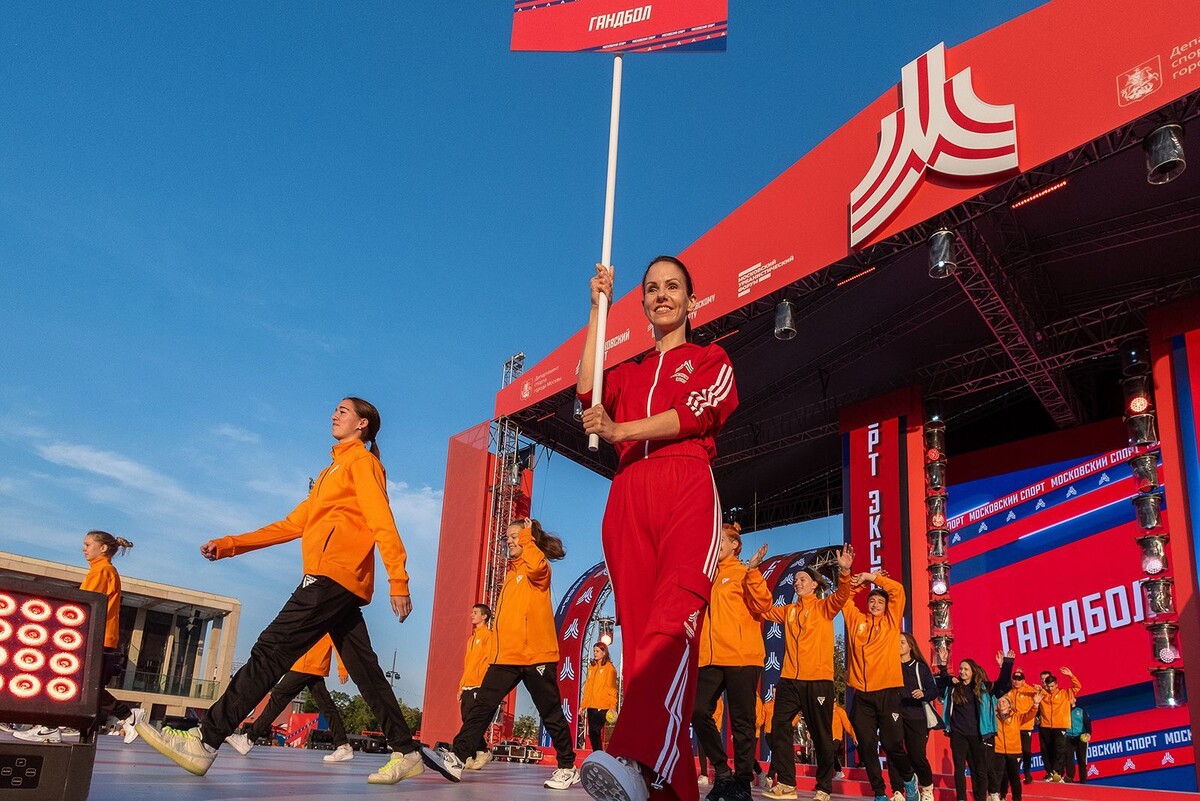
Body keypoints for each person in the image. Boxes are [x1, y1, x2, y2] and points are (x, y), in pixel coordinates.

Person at [134, 397, 429, 786]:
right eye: (334, 410)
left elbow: (381, 519)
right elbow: (291, 524)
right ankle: (407, 752)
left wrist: (398, 579)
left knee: (270, 650)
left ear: (363, 425)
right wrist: (230, 544)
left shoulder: (362, 462)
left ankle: (205, 741)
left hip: (333, 575)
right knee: (367, 672)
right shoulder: (331, 472)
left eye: (343, 411)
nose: (333, 414)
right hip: (335, 579)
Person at [575, 256, 740, 801]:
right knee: (641, 637)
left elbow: (696, 415)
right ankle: (668, 787)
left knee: (672, 627)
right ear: (643, 303)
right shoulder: (629, 371)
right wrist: (598, 307)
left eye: (673, 287)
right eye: (651, 289)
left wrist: (620, 428)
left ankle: (630, 753)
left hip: (686, 486)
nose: (661, 295)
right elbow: (587, 388)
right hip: (627, 497)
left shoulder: (711, 358)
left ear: (692, 301)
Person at [423, 519, 580, 790]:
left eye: (514, 536)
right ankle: (457, 758)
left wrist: (529, 539)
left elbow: (539, 567)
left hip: (535, 656)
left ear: (529, 537)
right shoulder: (511, 575)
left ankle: (567, 766)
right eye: (507, 536)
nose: (509, 540)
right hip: (506, 657)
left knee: (550, 712)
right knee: (482, 705)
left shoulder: (537, 569)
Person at [17, 531, 144, 744]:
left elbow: (84, 604)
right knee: (82, 686)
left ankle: (51, 727)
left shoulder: (102, 571)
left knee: (72, 682)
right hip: (99, 638)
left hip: (93, 638)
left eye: (87, 544)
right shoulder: (102, 571)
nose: (83, 548)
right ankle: (125, 716)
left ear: (103, 548)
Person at [760, 548, 856, 801]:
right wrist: (751, 576)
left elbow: (842, 595)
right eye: (795, 580)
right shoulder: (789, 611)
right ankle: (788, 785)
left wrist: (844, 572)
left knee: (822, 735)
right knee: (778, 727)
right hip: (790, 680)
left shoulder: (825, 608)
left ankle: (824, 786)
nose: (797, 582)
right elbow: (763, 609)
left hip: (818, 681)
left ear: (814, 585)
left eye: (802, 579)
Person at [692, 523, 771, 801]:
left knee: (742, 723)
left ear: (735, 545)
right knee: (698, 710)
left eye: (722, 539)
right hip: (711, 658)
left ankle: (742, 784)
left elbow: (764, 605)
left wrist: (753, 571)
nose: (717, 544)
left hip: (741, 656)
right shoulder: (708, 576)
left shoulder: (743, 573)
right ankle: (722, 773)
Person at [842, 570, 919, 801]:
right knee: (866, 745)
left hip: (888, 693)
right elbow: (844, 599)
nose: (876, 604)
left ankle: (908, 778)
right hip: (862, 695)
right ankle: (879, 793)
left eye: (880, 602)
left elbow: (897, 590)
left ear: (887, 607)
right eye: (872, 601)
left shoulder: (891, 621)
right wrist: (858, 586)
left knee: (892, 744)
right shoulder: (857, 621)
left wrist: (870, 577)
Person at [225, 634, 353, 762]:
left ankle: (249, 739)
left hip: (307, 664)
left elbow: (337, 641)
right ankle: (343, 745)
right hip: (306, 663)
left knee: (279, 696)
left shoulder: (326, 617)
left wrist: (342, 668)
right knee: (326, 706)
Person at [935, 648, 1015, 801]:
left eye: (966, 669)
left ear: (973, 671)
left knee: (979, 769)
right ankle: (961, 798)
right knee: (959, 768)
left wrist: (1007, 664)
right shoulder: (954, 687)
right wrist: (943, 665)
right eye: (961, 669)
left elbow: (1002, 684)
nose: (962, 671)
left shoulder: (983, 688)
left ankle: (980, 798)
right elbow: (941, 681)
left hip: (978, 735)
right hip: (958, 734)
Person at [888, 633, 939, 801]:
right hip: (894, 714)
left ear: (910, 646)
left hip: (916, 717)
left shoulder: (920, 667)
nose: (899, 645)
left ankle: (927, 787)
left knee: (917, 756)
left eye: (902, 642)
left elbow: (934, 691)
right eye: (896, 642)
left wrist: (923, 693)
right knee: (893, 752)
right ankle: (897, 791)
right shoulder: (890, 665)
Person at [458, 603, 496, 770]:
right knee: (466, 719)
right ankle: (481, 751)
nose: (471, 615)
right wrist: (461, 686)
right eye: (471, 612)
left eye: (475, 613)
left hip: (479, 685)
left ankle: (471, 754)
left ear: (484, 616)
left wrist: (485, 685)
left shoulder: (489, 635)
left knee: (472, 722)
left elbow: (489, 661)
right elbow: (468, 665)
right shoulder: (471, 639)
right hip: (467, 685)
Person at [990, 688, 1041, 801]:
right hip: (998, 752)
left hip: (1014, 752)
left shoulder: (1017, 717)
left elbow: (1029, 715)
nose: (1001, 704)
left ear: (1009, 705)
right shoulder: (993, 718)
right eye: (999, 702)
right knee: (998, 777)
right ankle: (999, 797)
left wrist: (1035, 704)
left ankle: (1017, 799)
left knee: (1014, 778)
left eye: (1004, 702)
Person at [1035, 667, 1080, 782]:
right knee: (1046, 750)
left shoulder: (1065, 693)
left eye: (1052, 686)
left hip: (1060, 726)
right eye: (1048, 686)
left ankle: (1057, 773)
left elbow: (1077, 687)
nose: (1050, 689)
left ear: (1056, 685)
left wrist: (1071, 675)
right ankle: (1049, 773)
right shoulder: (1042, 694)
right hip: (1045, 726)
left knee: (1059, 750)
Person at [581, 642, 619, 752]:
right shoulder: (591, 668)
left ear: (604, 653)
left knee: (594, 730)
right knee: (592, 733)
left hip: (603, 706)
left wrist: (612, 706)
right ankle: (597, 753)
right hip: (591, 706)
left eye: (597, 651)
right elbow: (587, 688)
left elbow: (612, 688)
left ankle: (598, 754)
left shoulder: (610, 669)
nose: (595, 653)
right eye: (594, 651)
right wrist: (583, 705)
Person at [1006, 668, 1039, 785]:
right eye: (1015, 679)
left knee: (1026, 751)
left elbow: (1040, 698)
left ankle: (1027, 773)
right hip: (1013, 727)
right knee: (1015, 752)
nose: (1016, 681)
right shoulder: (1009, 692)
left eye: (1019, 679)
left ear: (1023, 681)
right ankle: (1014, 774)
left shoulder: (1029, 690)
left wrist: (1039, 690)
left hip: (1026, 726)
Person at [1062, 702, 1091, 783]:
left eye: (1071, 698)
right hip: (1068, 737)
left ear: (1074, 699)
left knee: (1082, 760)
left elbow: (1087, 722)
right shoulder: (1063, 710)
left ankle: (1083, 781)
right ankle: (1070, 778)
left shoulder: (1081, 710)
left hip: (1080, 738)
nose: (1069, 700)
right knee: (1068, 759)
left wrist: (1088, 732)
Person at [831, 700, 855, 780]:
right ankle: (837, 772)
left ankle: (838, 771)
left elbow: (847, 724)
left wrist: (853, 735)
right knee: (827, 755)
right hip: (827, 737)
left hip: (837, 737)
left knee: (831, 753)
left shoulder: (840, 711)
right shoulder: (825, 710)